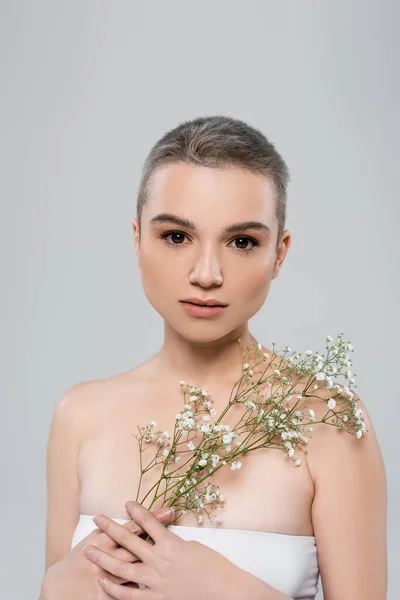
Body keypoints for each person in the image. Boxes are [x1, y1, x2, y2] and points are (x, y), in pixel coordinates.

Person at [40, 115, 387, 599]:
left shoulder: (329, 422)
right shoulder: (79, 414)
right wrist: (56, 588)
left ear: (279, 254)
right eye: (177, 236)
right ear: (137, 238)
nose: (207, 273)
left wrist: (224, 590)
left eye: (242, 242)